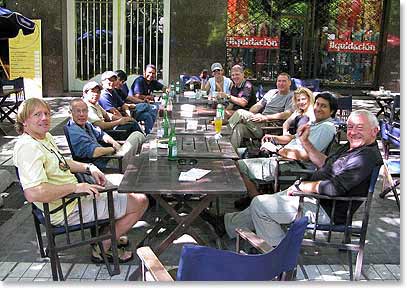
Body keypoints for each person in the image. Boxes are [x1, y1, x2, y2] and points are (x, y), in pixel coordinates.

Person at [13, 98, 148, 262]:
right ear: (24, 121)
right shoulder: (28, 147)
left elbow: (61, 162)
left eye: (47, 113)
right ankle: (102, 246)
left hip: (72, 198)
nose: (44, 118)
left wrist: (89, 168)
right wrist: (75, 187)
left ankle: (110, 233)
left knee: (124, 183)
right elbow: (34, 193)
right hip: (65, 209)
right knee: (140, 201)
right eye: (37, 115)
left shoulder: (43, 137)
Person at [220, 110, 383, 246]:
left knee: (260, 206)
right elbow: (326, 163)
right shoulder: (352, 147)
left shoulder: (365, 157)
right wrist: (305, 141)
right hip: (314, 198)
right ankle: (225, 225)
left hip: (326, 208)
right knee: (263, 201)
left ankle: (279, 260)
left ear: (375, 131)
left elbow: (334, 188)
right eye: (350, 127)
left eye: (359, 128)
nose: (353, 132)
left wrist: (301, 187)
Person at [232, 92, 337, 210]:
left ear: (332, 111)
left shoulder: (326, 127)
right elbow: (293, 138)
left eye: (323, 106)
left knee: (237, 166)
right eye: (317, 104)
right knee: (241, 155)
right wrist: (274, 138)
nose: (318, 108)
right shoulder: (315, 123)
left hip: (294, 165)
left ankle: (257, 203)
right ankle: (254, 197)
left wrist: (278, 150)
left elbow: (306, 156)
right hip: (283, 158)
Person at [66, 98, 145, 170]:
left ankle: (135, 163)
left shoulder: (86, 124)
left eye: (84, 111)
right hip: (105, 163)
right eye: (78, 111)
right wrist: (114, 149)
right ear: (70, 113)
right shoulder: (75, 131)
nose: (82, 114)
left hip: (110, 156)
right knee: (137, 135)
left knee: (137, 129)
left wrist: (114, 142)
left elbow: (101, 134)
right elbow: (95, 152)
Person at [228, 72, 294, 149]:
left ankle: (224, 133)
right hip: (259, 123)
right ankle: (230, 153)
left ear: (289, 83)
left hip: (270, 126)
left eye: (284, 81)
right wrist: (250, 114)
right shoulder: (272, 92)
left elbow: (287, 114)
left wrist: (265, 117)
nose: (281, 83)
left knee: (240, 112)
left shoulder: (291, 96)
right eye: (279, 81)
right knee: (239, 128)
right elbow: (258, 105)